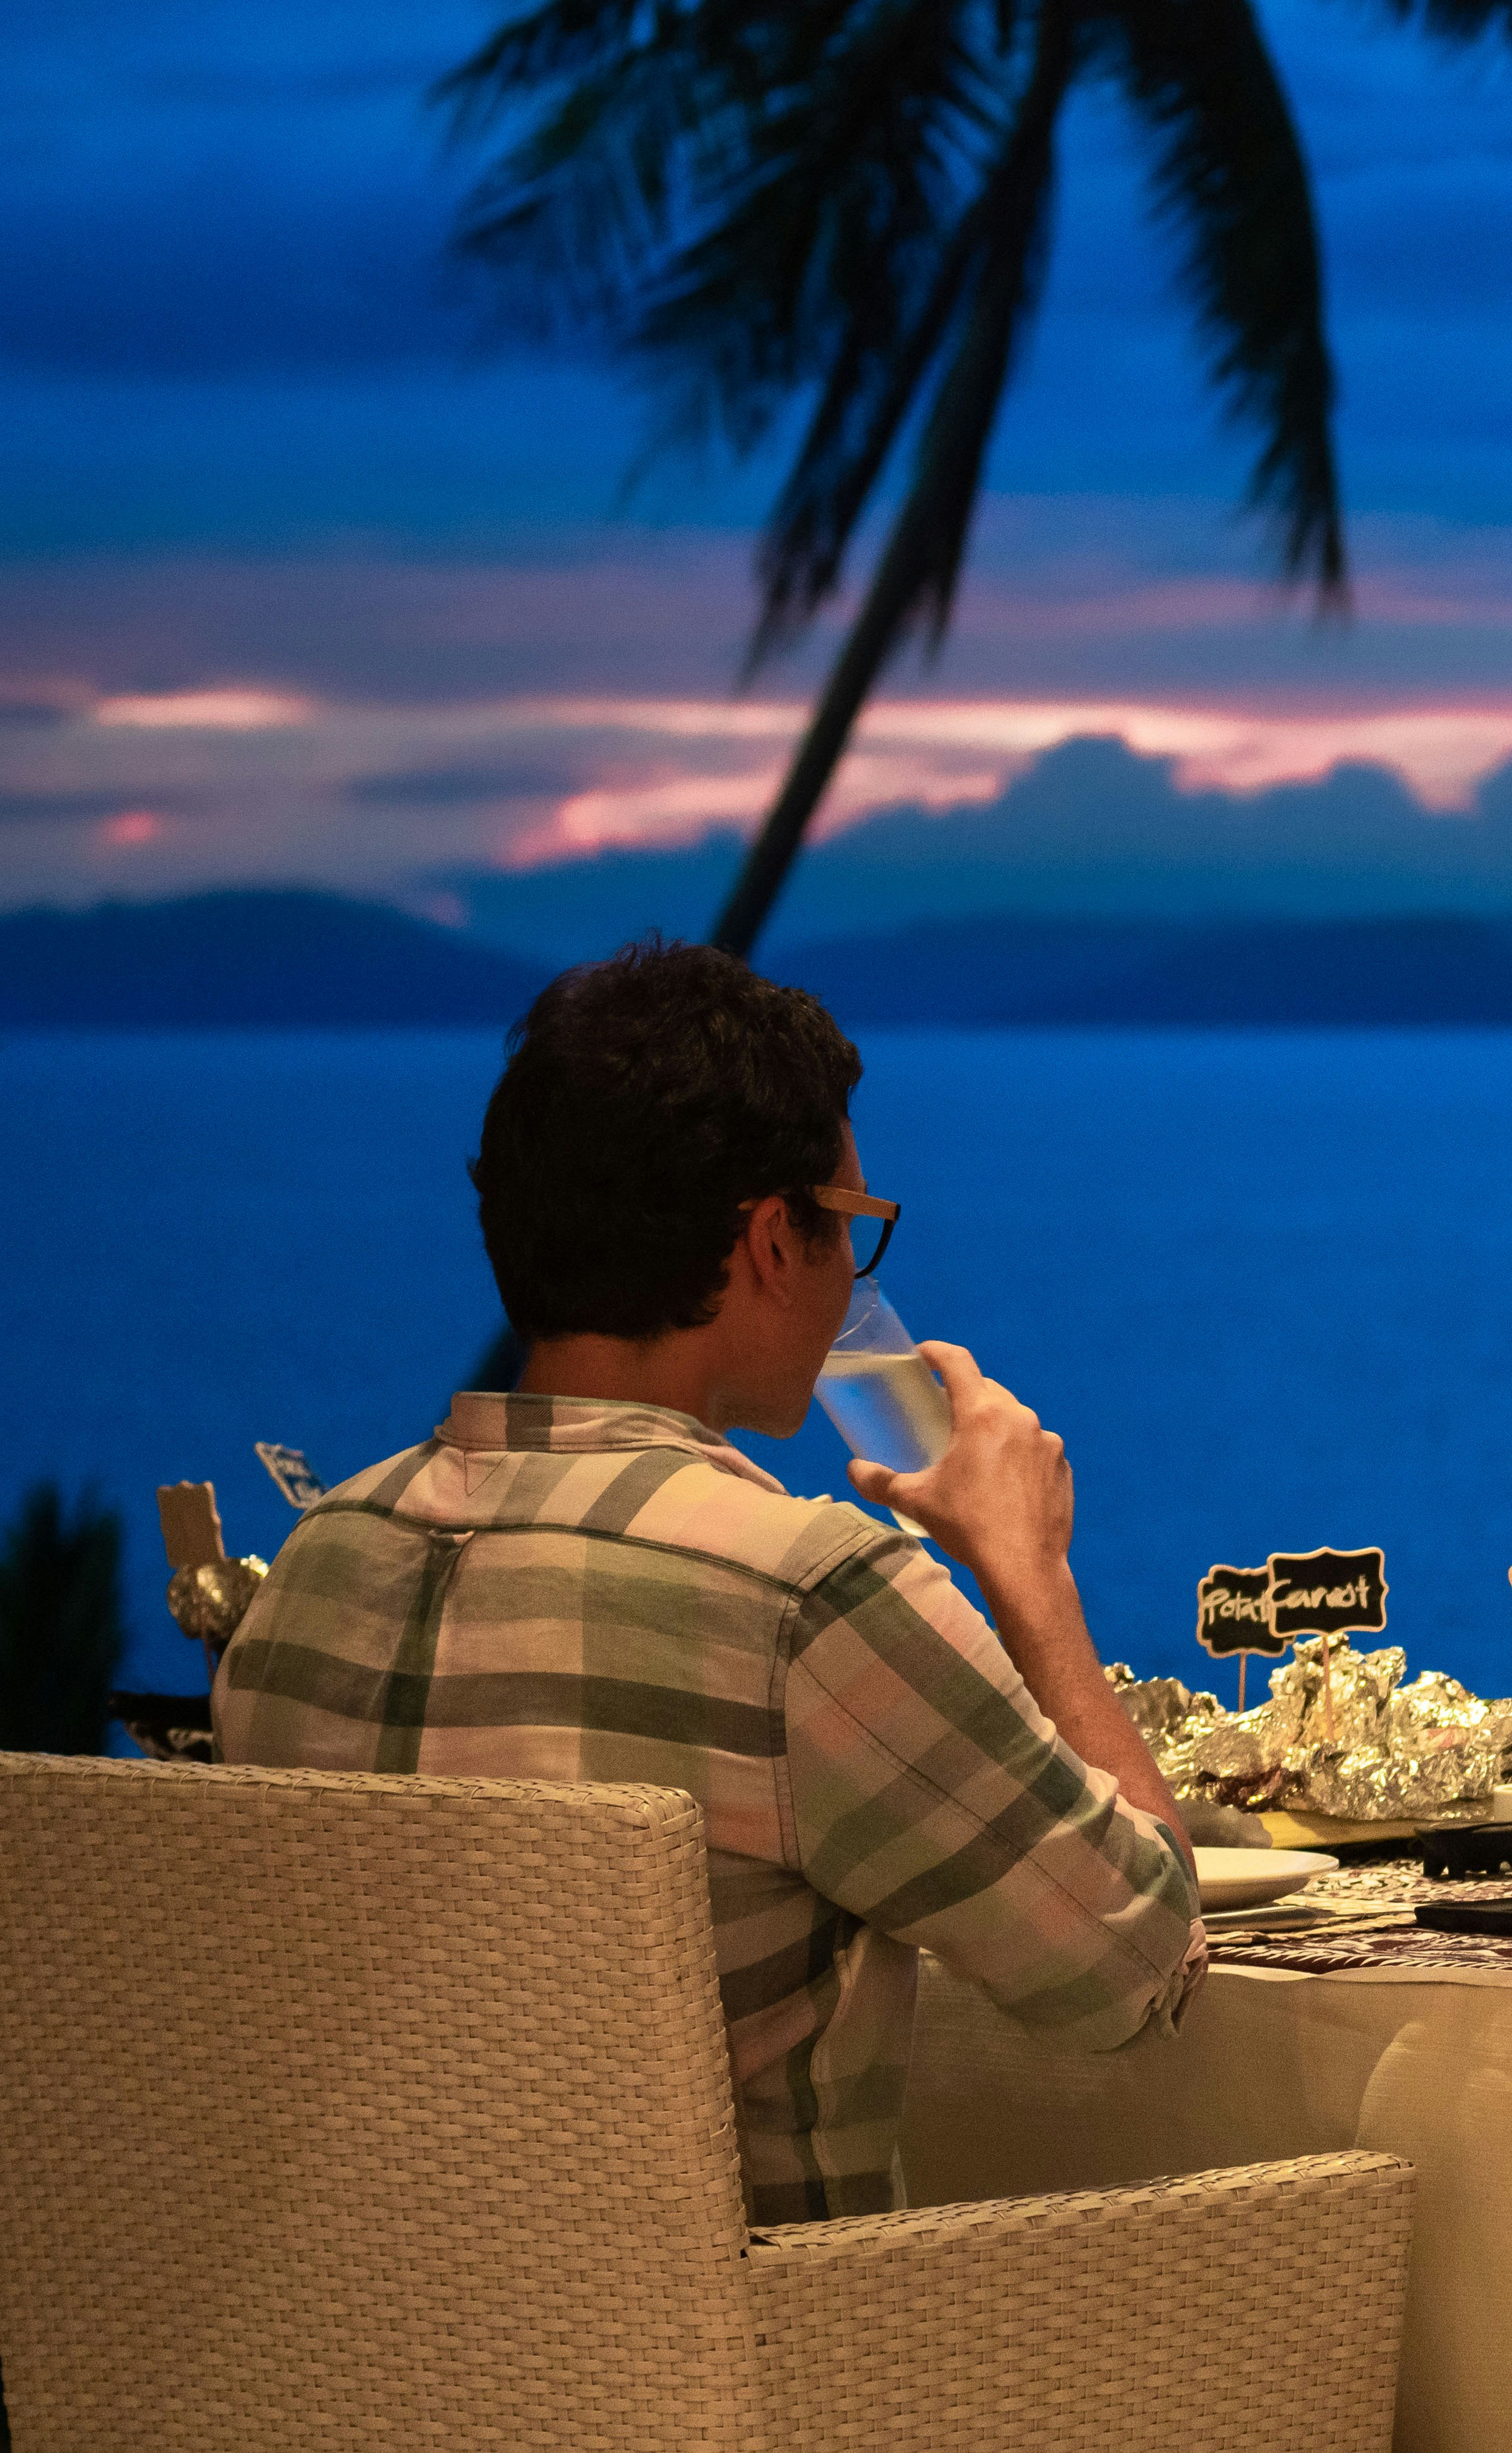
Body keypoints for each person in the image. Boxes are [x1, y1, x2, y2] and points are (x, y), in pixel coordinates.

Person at [212, 939, 1201, 2222]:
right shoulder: (804, 1597)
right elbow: (1132, 1970)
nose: (855, 1276)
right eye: (850, 1227)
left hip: (373, 2368)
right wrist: (1028, 1573)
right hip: (747, 2381)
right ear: (768, 1244)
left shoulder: (316, 1565)